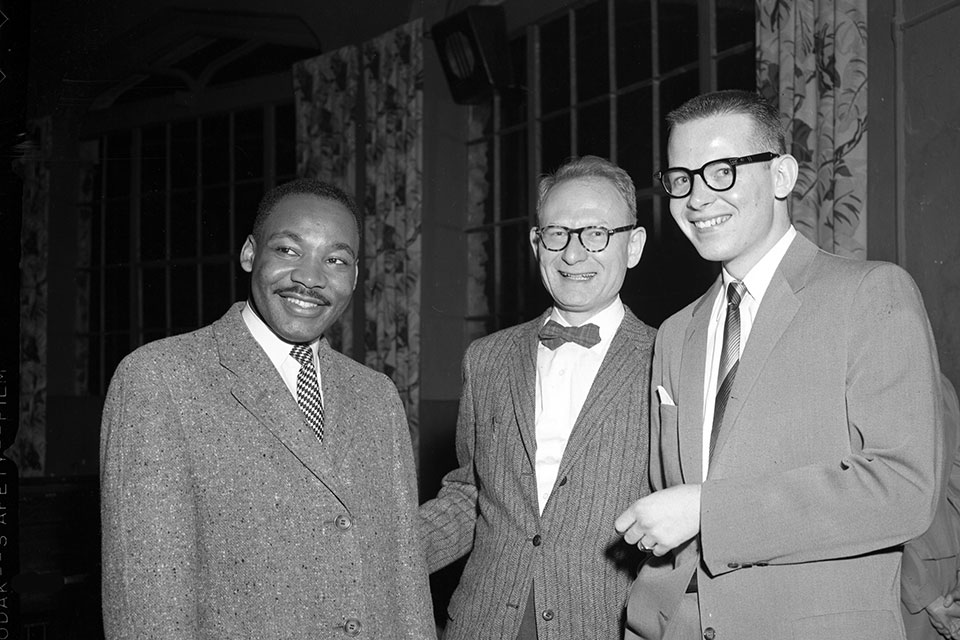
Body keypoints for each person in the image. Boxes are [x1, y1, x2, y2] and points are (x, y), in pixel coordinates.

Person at [615, 90, 944, 640]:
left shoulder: (870, 293)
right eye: (680, 178)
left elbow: (904, 488)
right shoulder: (675, 333)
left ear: (782, 176)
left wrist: (710, 512)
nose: (696, 198)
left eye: (720, 171)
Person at [100, 178, 436, 639]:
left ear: (355, 277)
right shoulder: (159, 380)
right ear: (249, 253)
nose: (311, 278)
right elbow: (149, 604)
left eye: (336, 260)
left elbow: (405, 577)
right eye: (289, 250)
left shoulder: (376, 395)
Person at [419, 155, 656, 639]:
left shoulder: (671, 357)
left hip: (608, 625)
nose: (573, 255)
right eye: (557, 234)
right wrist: (379, 552)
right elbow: (472, 494)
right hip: (483, 624)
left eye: (596, 233)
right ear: (536, 242)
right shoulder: (485, 359)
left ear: (633, 245)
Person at [903, 375, 960, 640]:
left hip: (902, 579)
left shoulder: (860, 381)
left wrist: (926, 594)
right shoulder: (940, 382)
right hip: (945, 574)